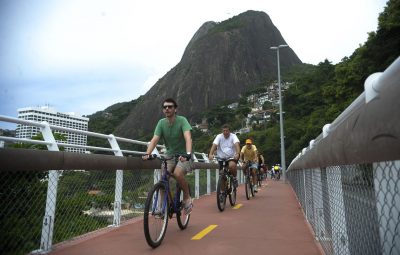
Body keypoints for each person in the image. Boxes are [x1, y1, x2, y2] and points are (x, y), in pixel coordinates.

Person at [142, 98, 193, 215]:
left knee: (177, 174)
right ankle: (164, 207)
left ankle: (186, 196)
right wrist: (147, 153)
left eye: (170, 107)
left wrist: (188, 154)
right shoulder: (161, 123)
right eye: (165, 107)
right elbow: (155, 139)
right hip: (169, 155)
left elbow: (188, 137)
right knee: (163, 179)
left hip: (184, 154)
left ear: (175, 109)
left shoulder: (182, 120)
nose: (167, 109)